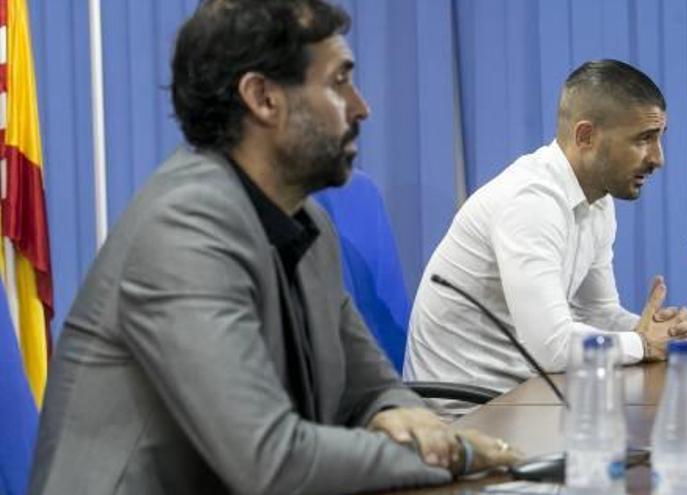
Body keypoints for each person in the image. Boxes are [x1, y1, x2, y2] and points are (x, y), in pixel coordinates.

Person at [28, 1, 519, 494]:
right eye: (338, 82)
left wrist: (401, 416)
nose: (361, 107)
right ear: (263, 97)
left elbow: (370, 388)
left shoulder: (308, 225)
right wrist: (456, 452)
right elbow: (269, 461)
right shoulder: (183, 229)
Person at [404, 60, 687, 415]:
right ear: (586, 136)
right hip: (466, 416)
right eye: (643, 139)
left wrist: (655, 332)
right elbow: (553, 347)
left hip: (528, 400)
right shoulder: (531, 203)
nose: (658, 159)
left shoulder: (597, 202)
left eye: (659, 138)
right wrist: (640, 343)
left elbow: (597, 311)